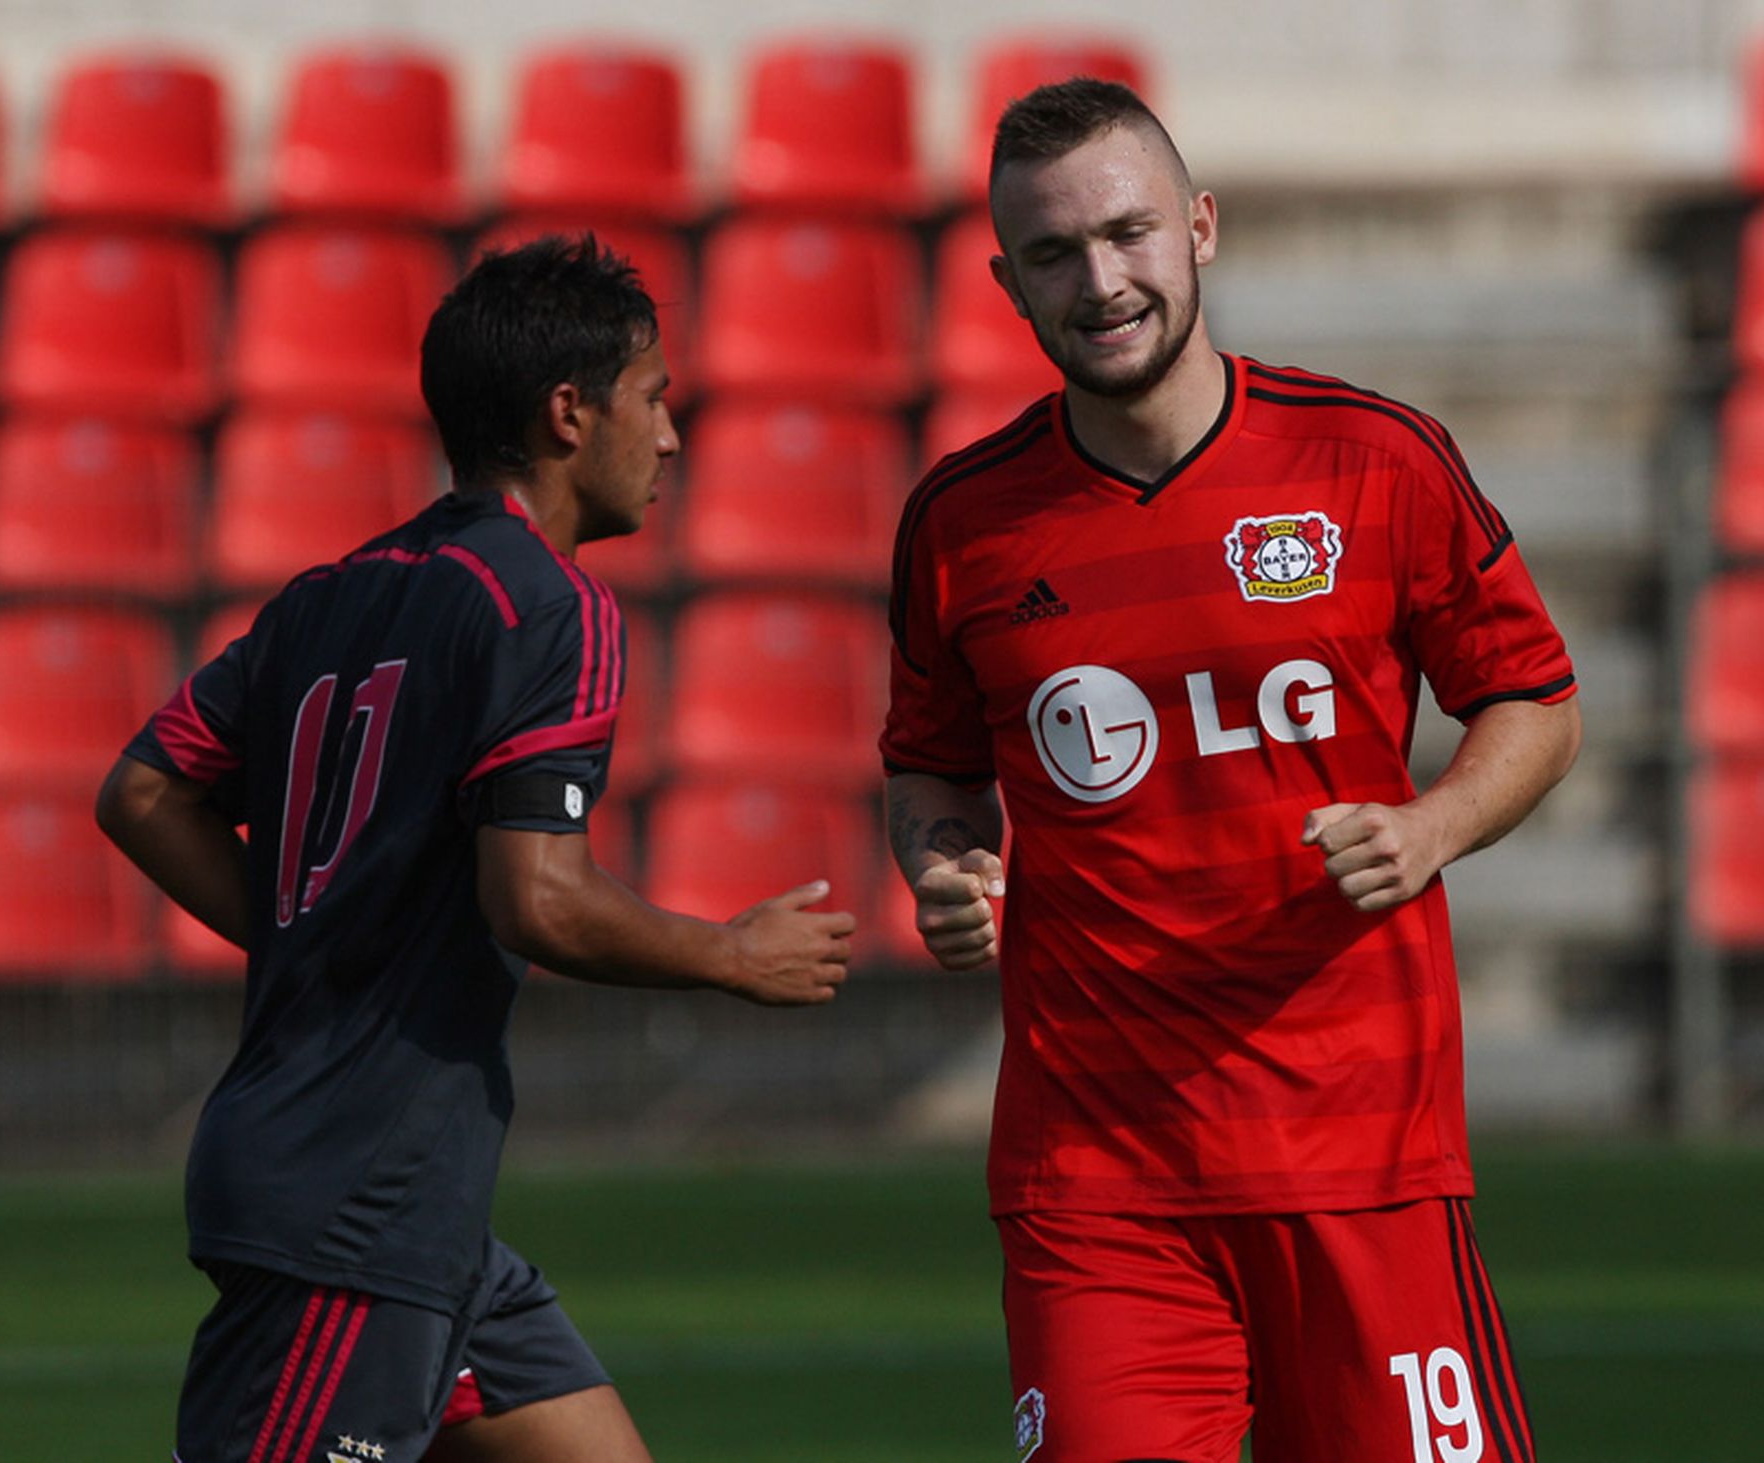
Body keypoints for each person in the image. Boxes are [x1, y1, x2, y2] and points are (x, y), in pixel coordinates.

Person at [882, 81, 1581, 1463]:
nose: (1102, 281)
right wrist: (945, 858)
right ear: (1004, 281)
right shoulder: (962, 523)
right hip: (1099, 1175)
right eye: (1054, 254)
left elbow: (1535, 701)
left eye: (1130, 233)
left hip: (1361, 1153)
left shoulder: (1369, 460)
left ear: (1199, 226)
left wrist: (1432, 823)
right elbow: (929, 766)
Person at [96, 235, 856, 1463]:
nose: (669, 438)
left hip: (410, 1211)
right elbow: (537, 898)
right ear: (570, 412)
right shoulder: (546, 604)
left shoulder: (326, 593)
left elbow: (142, 792)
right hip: (352, 1202)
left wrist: (313, 932)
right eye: (654, 398)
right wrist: (727, 954)